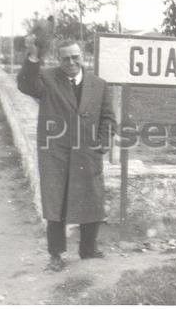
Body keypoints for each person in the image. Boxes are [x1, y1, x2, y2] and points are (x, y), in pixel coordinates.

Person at [17, 33, 116, 272]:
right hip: (56, 154)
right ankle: (56, 255)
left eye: (75, 58)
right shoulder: (47, 79)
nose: (71, 63)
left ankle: (88, 249)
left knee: (91, 200)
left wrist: (102, 144)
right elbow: (26, 85)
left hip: (87, 153)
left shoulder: (99, 84)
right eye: (65, 59)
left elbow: (108, 118)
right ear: (58, 60)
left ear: (82, 57)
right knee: (56, 205)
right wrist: (33, 56)